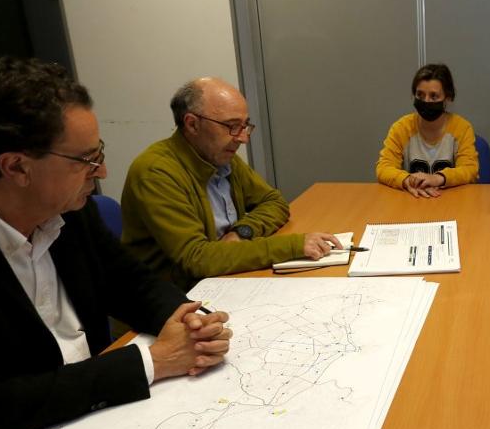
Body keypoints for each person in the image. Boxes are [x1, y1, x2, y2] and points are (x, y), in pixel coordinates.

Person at [0, 57, 231, 429]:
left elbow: (127, 280)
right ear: (17, 168)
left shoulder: (61, 203)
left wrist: (187, 318)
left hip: (96, 425)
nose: (101, 172)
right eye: (86, 159)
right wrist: (150, 361)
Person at [122, 77, 342, 288]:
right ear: (192, 124)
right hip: (175, 299)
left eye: (245, 125)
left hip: (221, 280)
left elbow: (273, 201)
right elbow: (197, 259)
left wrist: (241, 232)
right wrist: (293, 246)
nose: (243, 138)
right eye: (232, 126)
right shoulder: (156, 172)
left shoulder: (218, 155)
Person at [376, 63, 479, 198]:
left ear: (447, 97)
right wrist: (407, 180)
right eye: (420, 95)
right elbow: (383, 168)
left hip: (450, 201)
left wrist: (438, 178)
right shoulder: (401, 128)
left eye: (434, 96)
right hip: (413, 200)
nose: (426, 101)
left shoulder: (462, 128)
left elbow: (470, 169)